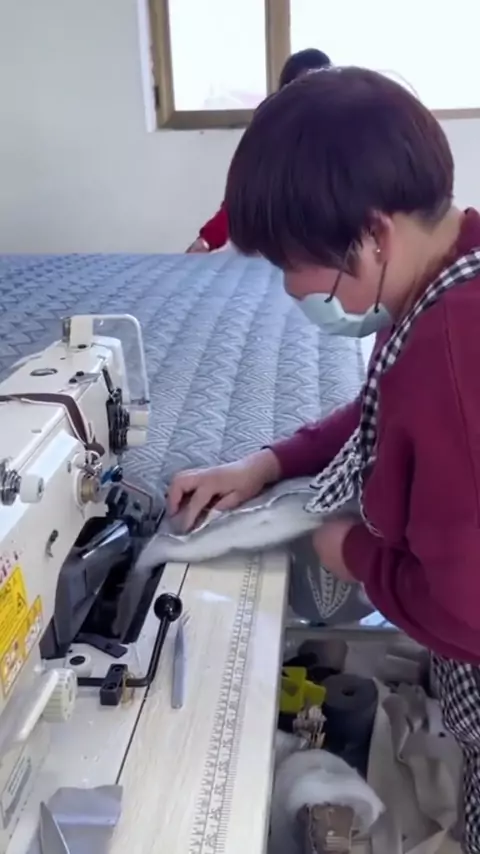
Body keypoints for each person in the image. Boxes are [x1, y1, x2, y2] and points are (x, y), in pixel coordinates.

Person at [170, 67, 480, 852]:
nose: (290, 289)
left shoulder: (453, 349)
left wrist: (352, 554)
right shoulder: (446, 274)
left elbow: (467, 613)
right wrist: (269, 463)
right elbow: (379, 408)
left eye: (293, 265)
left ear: (373, 237)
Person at [185, 48, 331, 254]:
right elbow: (243, 197)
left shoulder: (344, 139)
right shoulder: (272, 133)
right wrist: (206, 241)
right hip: (279, 250)